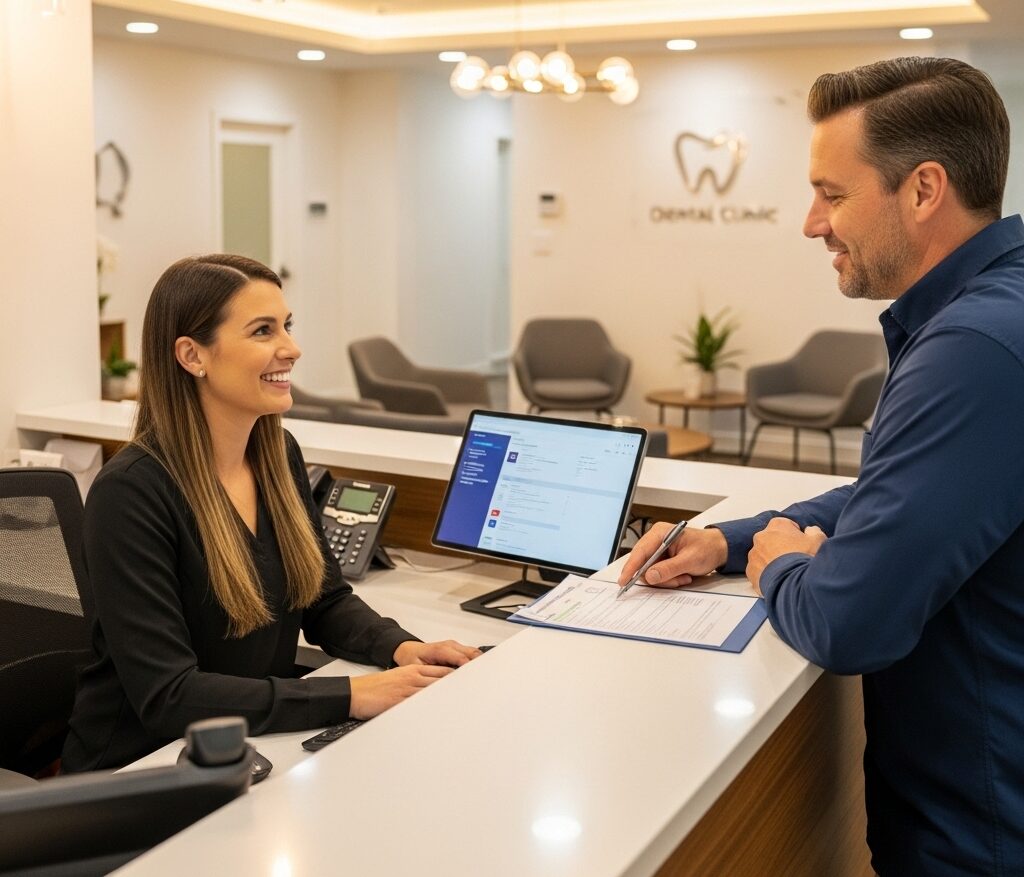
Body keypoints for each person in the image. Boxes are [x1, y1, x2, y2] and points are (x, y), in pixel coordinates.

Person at [620, 57, 1024, 876]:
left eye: (832, 195)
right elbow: (906, 495)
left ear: (923, 190)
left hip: (980, 833)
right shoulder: (993, 314)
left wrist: (784, 567)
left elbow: (848, 621)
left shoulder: (972, 350)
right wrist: (726, 541)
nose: (812, 223)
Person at [62, 254, 481, 772]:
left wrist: (399, 649)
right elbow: (169, 695)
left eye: (287, 325)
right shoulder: (130, 493)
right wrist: (352, 694)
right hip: (141, 769)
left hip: (255, 749)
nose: (291, 348)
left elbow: (323, 599)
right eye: (263, 331)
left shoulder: (278, 453)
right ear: (193, 355)